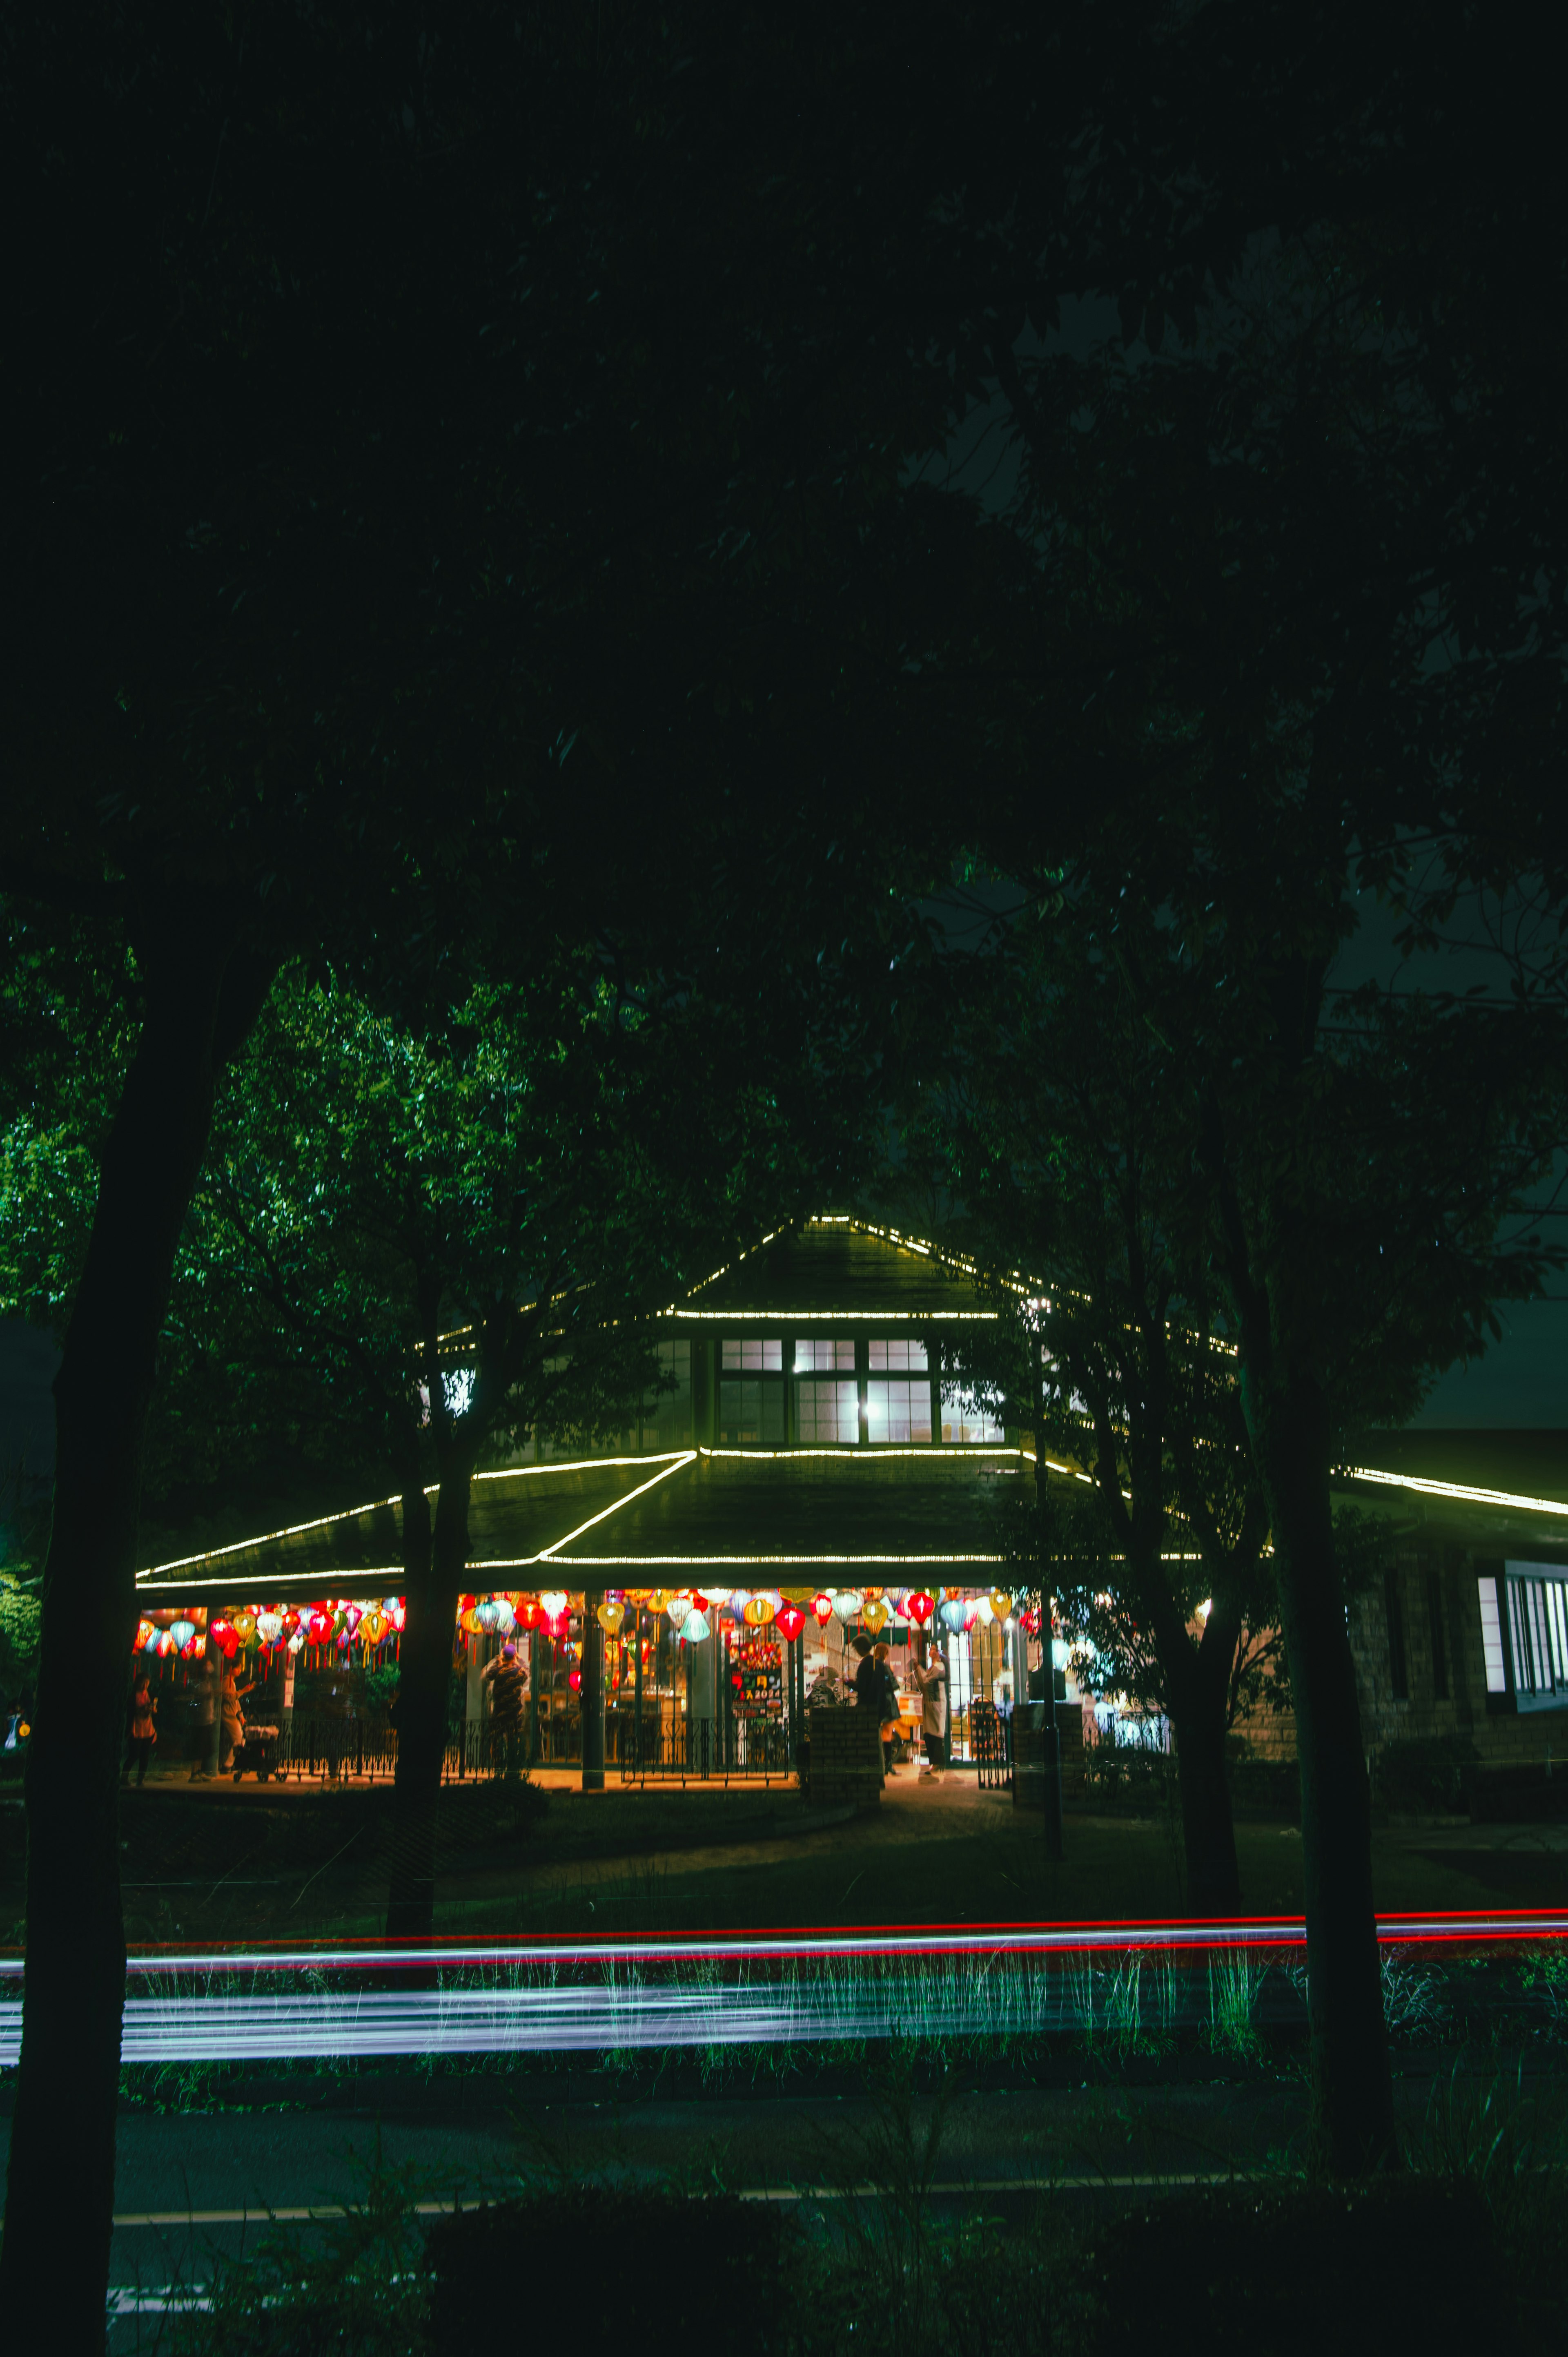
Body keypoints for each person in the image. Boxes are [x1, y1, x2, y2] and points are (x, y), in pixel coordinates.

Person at [481, 1638, 528, 1779]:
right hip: (515, 1715)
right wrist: (520, 1659)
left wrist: (498, 1661)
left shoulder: (497, 1671)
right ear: (515, 1656)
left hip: (499, 1714)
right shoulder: (519, 1671)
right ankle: (513, 1772)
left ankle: (498, 1771)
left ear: (503, 1656)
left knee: (497, 1743)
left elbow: (486, 1675)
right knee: (513, 1742)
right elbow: (528, 1670)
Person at [912, 1642, 949, 1779]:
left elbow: (927, 1684)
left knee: (935, 1733)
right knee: (929, 1733)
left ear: (938, 1653)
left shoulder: (939, 1667)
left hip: (936, 1704)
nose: (931, 1651)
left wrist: (919, 1670)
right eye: (931, 1649)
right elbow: (924, 1684)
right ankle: (934, 1763)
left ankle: (939, 1762)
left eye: (934, 1649)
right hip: (930, 1703)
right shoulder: (932, 1668)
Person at [123, 1671, 158, 1786]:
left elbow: (155, 1710)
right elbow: (131, 1712)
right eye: (143, 1683)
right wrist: (141, 1710)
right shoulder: (133, 1696)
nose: (145, 1686)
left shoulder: (151, 1695)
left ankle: (140, 1779)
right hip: (136, 1729)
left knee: (145, 1755)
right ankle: (124, 1778)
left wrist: (152, 1710)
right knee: (134, 1754)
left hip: (148, 1729)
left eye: (147, 1683)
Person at [872, 1641, 902, 1775]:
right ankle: (888, 1765)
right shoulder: (885, 1667)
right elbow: (894, 1685)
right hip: (889, 1702)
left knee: (877, 1734)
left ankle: (880, 1764)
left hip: (876, 1702)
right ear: (885, 1653)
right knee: (888, 1735)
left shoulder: (872, 1666)